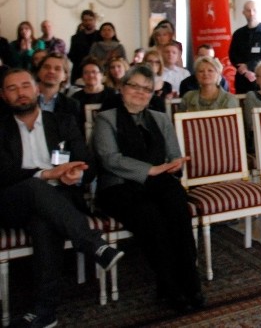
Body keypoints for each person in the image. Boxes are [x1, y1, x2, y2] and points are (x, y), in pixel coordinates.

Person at [0, 68, 123, 328]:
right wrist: (46, 174)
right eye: (12, 88)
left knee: (43, 221)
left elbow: (88, 164)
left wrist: (75, 175)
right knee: (34, 186)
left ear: (36, 89)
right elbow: (3, 174)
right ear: (3, 95)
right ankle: (92, 243)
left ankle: (45, 313)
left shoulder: (63, 122)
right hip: (13, 201)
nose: (20, 92)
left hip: (58, 201)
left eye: (25, 85)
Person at [92, 65, 203, 313]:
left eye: (147, 89)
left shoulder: (161, 118)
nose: (141, 93)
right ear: (122, 88)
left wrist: (174, 166)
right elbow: (110, 159)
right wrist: (149, 170)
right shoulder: (105, 119)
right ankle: (170, 286)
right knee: (152, 219)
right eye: (135, 87)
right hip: (118, 187)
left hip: (159, 181)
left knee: (178, 209)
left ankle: (190, 281)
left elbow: (174, 155)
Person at [228, 1, 261, 94]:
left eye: (254, 10)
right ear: (243, 13)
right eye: (248, 10)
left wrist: (248, 66)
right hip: (242, 80)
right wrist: (245, 71)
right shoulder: (238, 34)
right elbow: (233, 55)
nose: (251, 13)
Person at [36, 53, 82, 126]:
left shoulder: (71, 105)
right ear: (38, 72)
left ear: (65, 76)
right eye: (46, 67)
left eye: (57, 69)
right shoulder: (26, 100)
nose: (51, 71)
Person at [68, 10, 101, 83]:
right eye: (85, 20)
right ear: (82, 21)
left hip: (97, 70)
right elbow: (71, 55)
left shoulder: (101, 35)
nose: (88, 22)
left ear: (95, 20)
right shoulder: (75, 38)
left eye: (90, 20)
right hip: (79, 71)